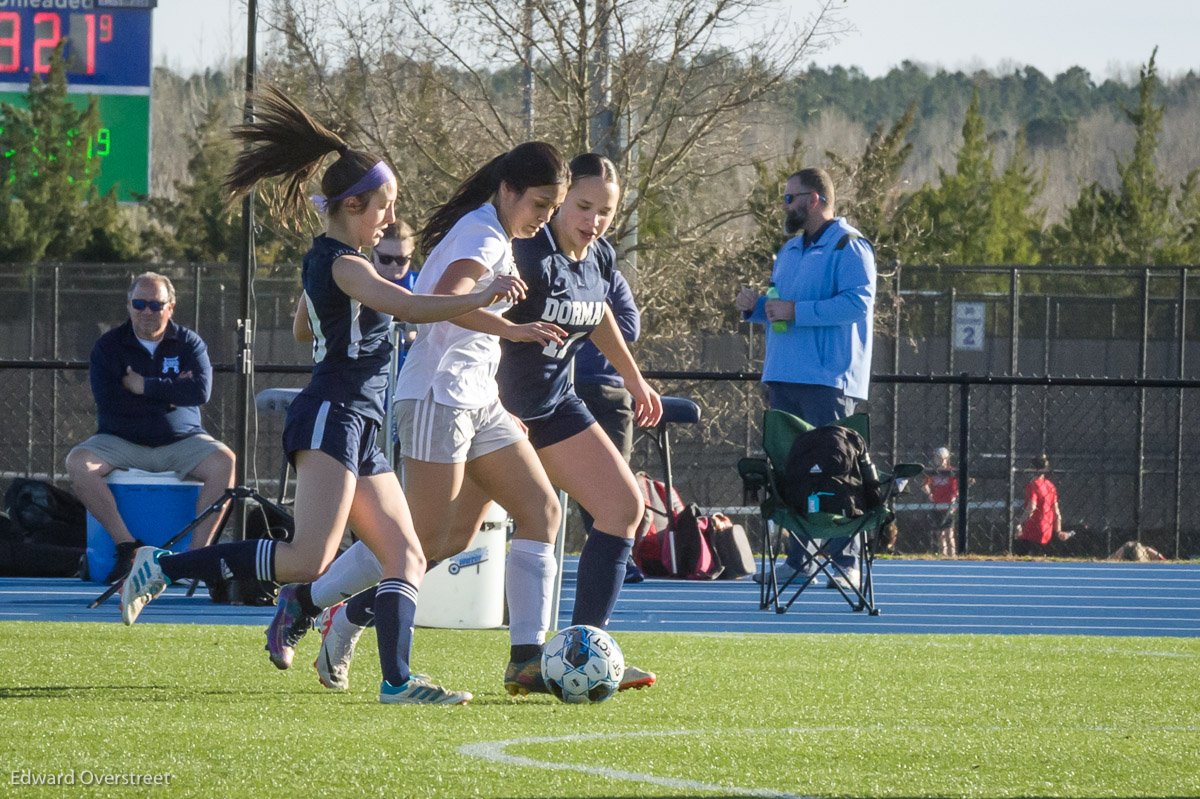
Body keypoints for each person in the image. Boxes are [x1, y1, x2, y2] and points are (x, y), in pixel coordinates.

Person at [118, 87, 525, 706]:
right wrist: (480, 294)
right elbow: (410, 305)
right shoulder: (343, 264)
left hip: (360, 423)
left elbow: (319, 324)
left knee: (405, 553)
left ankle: (397, 682)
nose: (389, 218)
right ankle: (161, 567)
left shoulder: (345, 263)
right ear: (353, 204)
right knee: (310, 558)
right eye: (382, 208)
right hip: (333, 418)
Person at [287, 152, 662, 698]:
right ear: (519, 193)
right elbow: (444, 302)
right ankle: (320, 606)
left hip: (504, 403)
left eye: (601, 210)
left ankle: (543, 658)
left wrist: (634, 378)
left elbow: (597, 311)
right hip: (458, 398)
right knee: (424, 542)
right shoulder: (502, 242)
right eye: (571, 205)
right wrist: (508, 329)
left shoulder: (572, 250)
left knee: (541, 514)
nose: (587, 218)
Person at [735, 167, 876, 590]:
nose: (785, 205)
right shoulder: (791, 249)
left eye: (790, 197)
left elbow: (857, 304)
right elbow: (782, 309)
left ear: (814, 199)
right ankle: (799, 560)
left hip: (828, 379)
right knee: (790, 471)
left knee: (836, 470)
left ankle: (845, 560)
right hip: (785, 376)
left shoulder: (849, 247)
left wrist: (798, 311)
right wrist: (756, 307)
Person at [66, 272, 236, 584]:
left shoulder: (189, 343)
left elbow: (201, 392)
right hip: (121, 439)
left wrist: (144, 386)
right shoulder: (108, 346)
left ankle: (196, 560)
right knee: (78, 463)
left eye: (155, 305)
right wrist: (173, 391)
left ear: (170, 307)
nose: (146, 312)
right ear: (128, 306)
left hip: (181, 440)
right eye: (139, 304)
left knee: (224, 462)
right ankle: (127, 547)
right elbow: (110, 400)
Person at [573, 262, 644, 582]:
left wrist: (588, 310)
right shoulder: (555, 273)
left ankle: (618, 556)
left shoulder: (612, 279)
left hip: (615, 394)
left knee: (617, 474)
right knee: (576, 479)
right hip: (568, 390)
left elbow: (630, 327)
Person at [1015, 454, 1067, 556]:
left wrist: (1020, 523)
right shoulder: (1051, 486)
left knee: (1022, 558)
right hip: (1047, 530)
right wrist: (1059, 531)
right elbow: (1056, 512)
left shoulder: (1033, 486)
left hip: (1033, 530)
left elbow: (1032, 507)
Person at [923, 446, 959, 556]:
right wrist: (930, 495)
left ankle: (952, 555)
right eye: (936, 458)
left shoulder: (951, 471)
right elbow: (924, 485)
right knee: (940, 534)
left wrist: (956, 494)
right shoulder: (933, 472)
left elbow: (960, 485)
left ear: (946, 459)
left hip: (949, 506)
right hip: (937, 506)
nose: (937, 460)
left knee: (949, 533)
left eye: (940, 458)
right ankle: (942, 554)